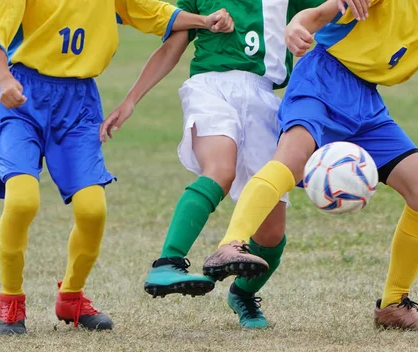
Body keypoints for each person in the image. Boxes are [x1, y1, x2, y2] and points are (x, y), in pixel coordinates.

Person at [202, 0, 418, 331]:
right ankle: (231, 245)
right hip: (321, 80)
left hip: (365, 103)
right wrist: (296, 28)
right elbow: (317, 15)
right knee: (291, 160)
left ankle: (393, 305)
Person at [0, 0, 233, 335]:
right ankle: (11, 301)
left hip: (79, 104)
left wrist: (204, 20)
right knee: (22, 201)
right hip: (23, 95)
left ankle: (71, 296)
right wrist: (3, 79)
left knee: (92, 211)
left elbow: (154, 13)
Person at [99, 0, 332, 329]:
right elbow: (172, 45)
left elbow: (332, 15)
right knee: (220, 170)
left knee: (271, 235)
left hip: (264, 99)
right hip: (210, 88)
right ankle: (168, 262)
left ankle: (243, 294)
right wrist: (130, 100)